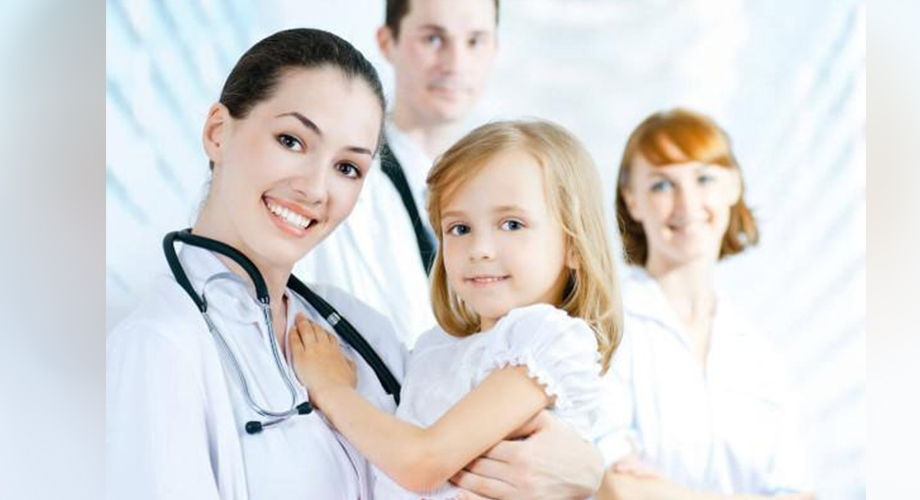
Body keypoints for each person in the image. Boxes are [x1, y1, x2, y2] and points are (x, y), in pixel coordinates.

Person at [106, 29, 601, 500]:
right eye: (291, 141)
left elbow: (446, 448)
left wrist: (590, 473)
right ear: (218, 132)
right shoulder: (160, 346)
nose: (315, 188)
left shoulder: (361, 333)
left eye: (347, 167)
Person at [290, 120, 622, 499]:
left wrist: (331, 388)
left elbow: (421, 464)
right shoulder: (436, 348)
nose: (479, 249)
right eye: (460, 228)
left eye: (512, 224)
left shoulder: (547, 338)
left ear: (574, 246)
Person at [594, 108, 814, 500]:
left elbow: (799, 491)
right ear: (632, 201)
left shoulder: (760, 354)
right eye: (662, 185)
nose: (686, 203)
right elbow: (617, 488)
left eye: (704, 178)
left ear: (733, 187)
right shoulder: (605, 328)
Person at [304, 0, 499, 347]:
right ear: (387, 42)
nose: (455, 64)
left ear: (494, 48)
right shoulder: (333, 183)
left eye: (475, 41)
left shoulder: (505, 192)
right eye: (433, 39)